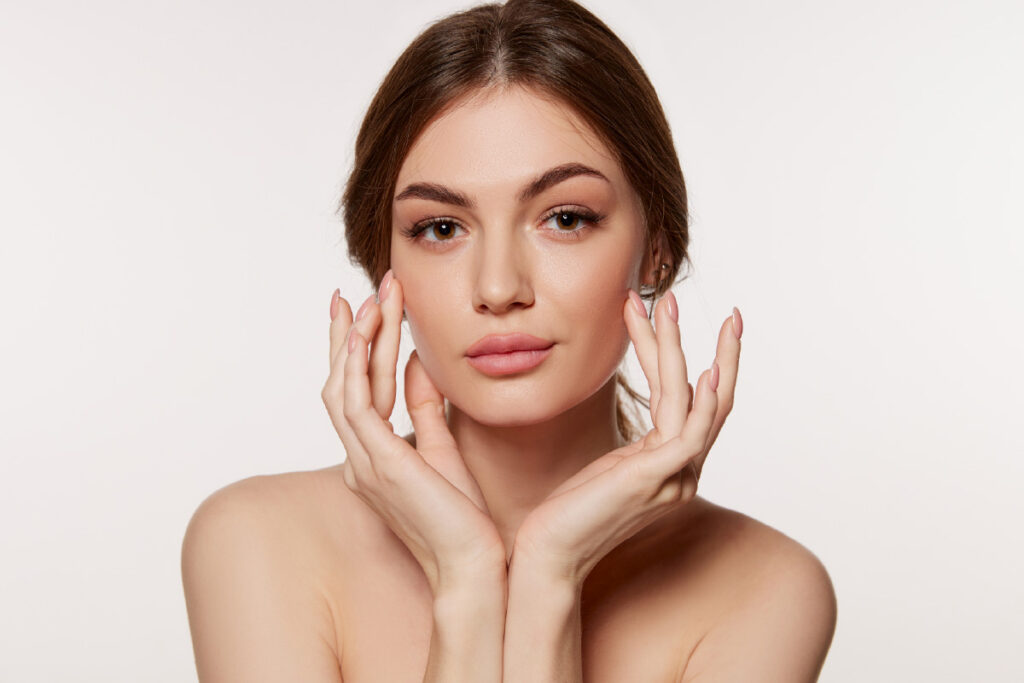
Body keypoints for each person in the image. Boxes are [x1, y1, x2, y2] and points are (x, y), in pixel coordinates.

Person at [181, 0, 837, 680]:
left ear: (658, 247)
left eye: (564, 217)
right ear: (386, 267)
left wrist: (550, 572)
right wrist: (467, 577)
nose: (498, 287)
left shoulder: (764, 588)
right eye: (440, 227)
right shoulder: (258, 542)